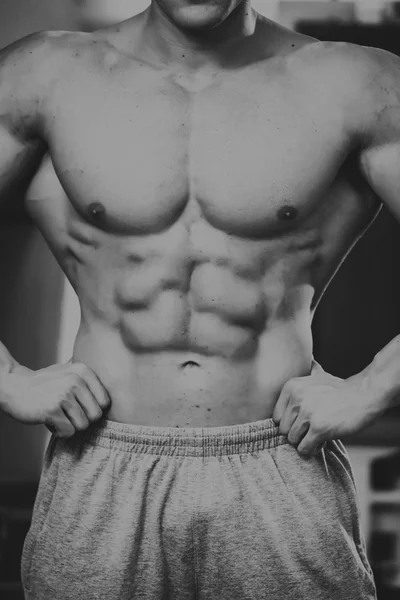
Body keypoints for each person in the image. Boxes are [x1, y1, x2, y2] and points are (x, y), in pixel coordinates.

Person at [0, 0, 399, 597]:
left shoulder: (356, 83)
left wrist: (374, 388)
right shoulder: (44, 75)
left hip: (280, 461)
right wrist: (9, 381)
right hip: (102, 464)